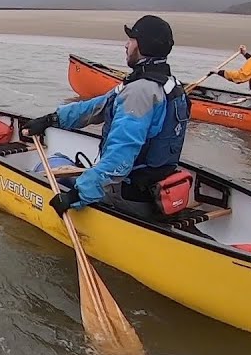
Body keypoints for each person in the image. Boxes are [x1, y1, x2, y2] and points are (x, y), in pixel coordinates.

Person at [23, 15, 191, 219]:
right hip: (157, 190)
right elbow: (97, 107)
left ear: (143, 46)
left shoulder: (139, 92)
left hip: (131, 197)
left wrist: (77, 194)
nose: (126, 45)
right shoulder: (171, 86)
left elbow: (120, 157)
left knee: (50, 166)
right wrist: (52, 119)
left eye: (131, 40)